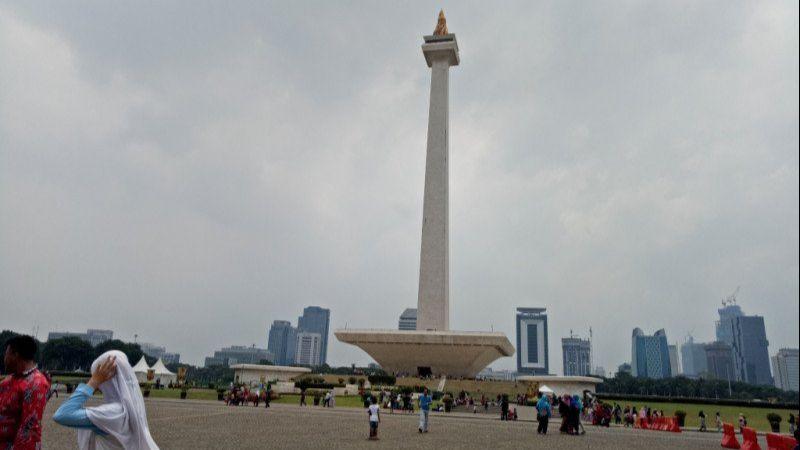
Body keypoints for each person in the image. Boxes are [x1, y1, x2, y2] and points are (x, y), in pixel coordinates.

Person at [53, 350, 159, 449]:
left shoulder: (114, 413)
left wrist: (93, 383)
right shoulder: (133, 407)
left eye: (99, 376)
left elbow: (62, 415)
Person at [1, 335, 50, 450]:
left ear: (15, 355)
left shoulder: (36, 384)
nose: (4, 359)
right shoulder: (9, 381)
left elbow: (29, 429)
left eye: (6, 354)